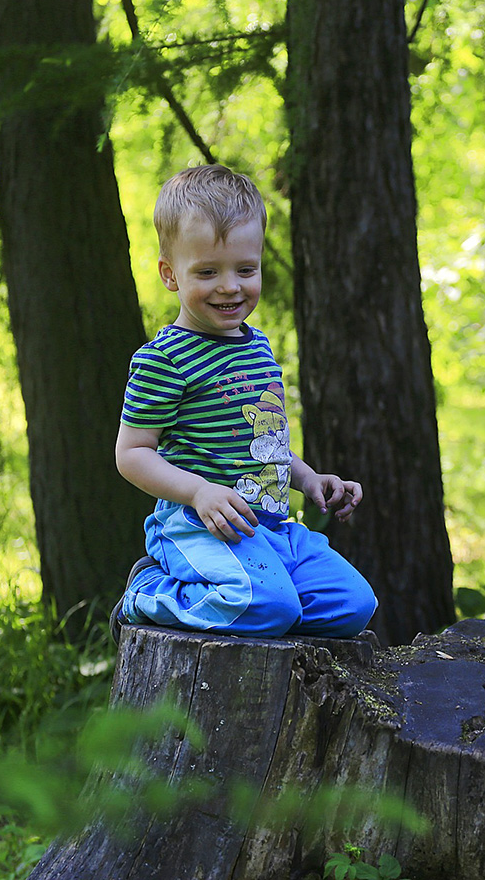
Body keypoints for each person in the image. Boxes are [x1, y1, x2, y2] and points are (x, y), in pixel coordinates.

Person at [112, 164, 377, 640]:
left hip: (272, 528)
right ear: (170, 275)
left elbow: (266, 442)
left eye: (245, 269)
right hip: (200, 526)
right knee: (268, 608)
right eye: (208, 271)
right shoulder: (163, 359)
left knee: (353, 605)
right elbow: (131, 455)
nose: (230, 286)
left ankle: (260, 601)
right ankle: (148, 593)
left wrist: (309, 478)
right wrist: (197, 491)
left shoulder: (258, 349)